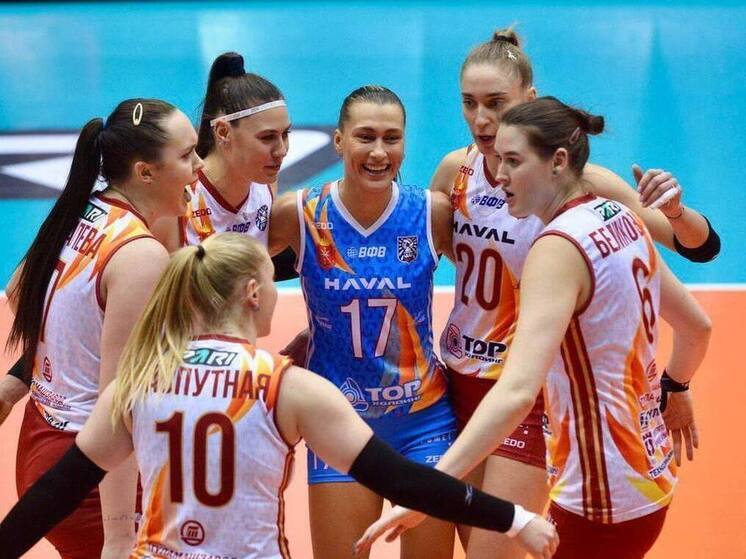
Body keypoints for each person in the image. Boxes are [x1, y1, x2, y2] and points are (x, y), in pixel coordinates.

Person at [0, 233, 559, 559]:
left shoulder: (140, 378)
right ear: (251, 292)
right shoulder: (286, 387)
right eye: (272, 281)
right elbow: (402, 480)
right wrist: (513, 519)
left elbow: (54, 491)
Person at [355, 97, 712, 559]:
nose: (499, 175)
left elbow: (518, 391)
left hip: (600, 495)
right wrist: (675, 385)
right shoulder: (621, 218)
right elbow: (697, 327)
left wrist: (429, 488)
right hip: (648, 476)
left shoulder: (557, 247)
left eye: (513, 161)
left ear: (558, 162)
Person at [429, 28, 720, 558]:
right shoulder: (455, 171)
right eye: (469, 103)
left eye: (496, 103)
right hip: (456, 377)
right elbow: (435, 257)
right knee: (473, 545)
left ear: (529, 99)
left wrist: (676, 210)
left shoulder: (585, 184)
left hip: (523, 393)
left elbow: (698, 247)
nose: (481, 119)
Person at [2, 98, 202, 558]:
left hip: (43, 440)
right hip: (91, 471)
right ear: (145, 172)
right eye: (187, 155)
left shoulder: (85, 209)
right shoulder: (140, 255)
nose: (199, 168)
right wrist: (118, 536)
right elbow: (118, 407)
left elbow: (17, 292)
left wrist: (40, 371)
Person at [269, 85, 459, 558]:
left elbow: (495, 276)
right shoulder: (300, 213)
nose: (379, 152)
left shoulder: (431, 213)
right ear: (338, 141)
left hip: (425, 420)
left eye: (392, 138)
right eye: (365, 136)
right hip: (338, 422)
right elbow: (225, 271)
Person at [148, 51, 297, 279]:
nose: (282, 150)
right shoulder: (176, 201)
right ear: (223, 132)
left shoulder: (265, 184)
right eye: (267, 137)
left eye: (285, 134)